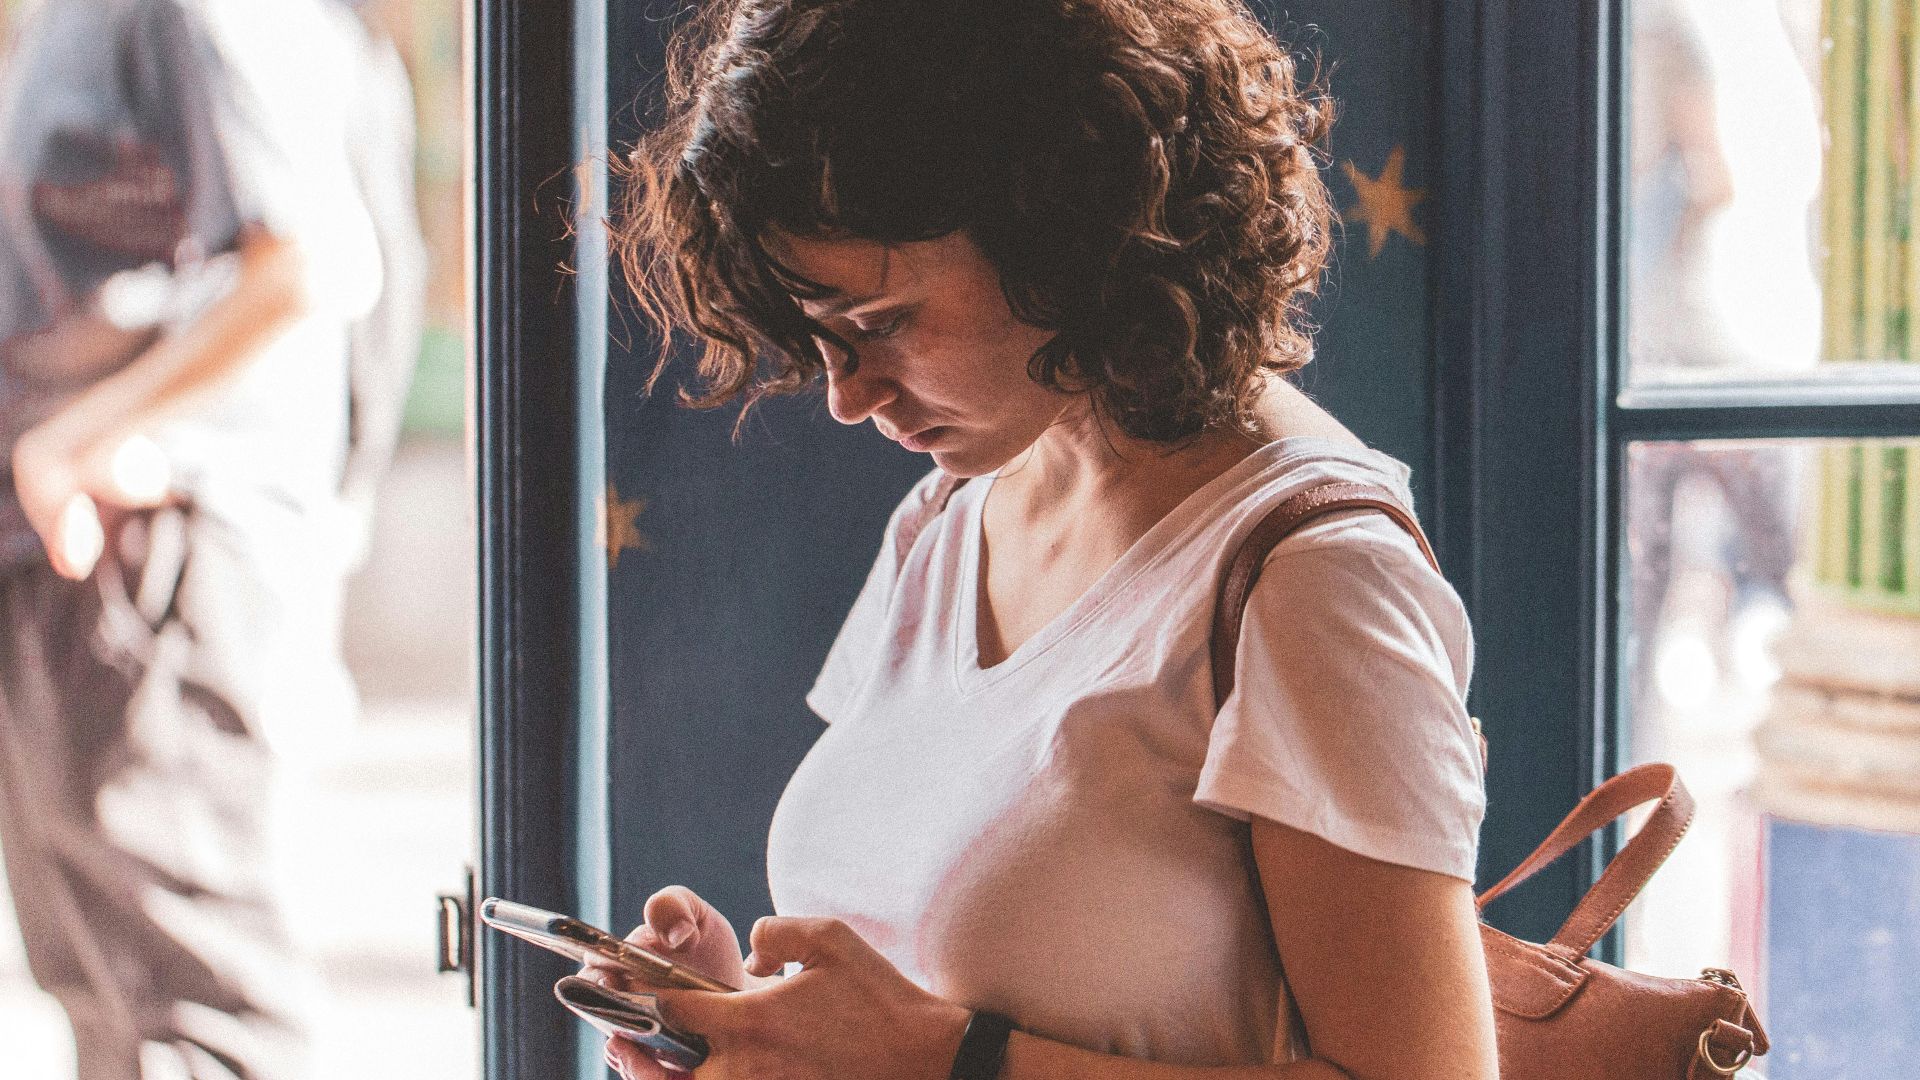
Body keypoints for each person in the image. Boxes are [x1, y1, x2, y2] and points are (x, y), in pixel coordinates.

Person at [597, 2, 1497, 1078]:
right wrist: (744, 1021)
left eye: (880, 322)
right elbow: (931, 970)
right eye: (817, 334)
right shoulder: (949, 516)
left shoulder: (1312, 578)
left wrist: (947, 1062)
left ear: (1070, 230)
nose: (846, 397)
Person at [0, 0, 421, 1076]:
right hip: (73, 559)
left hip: (148, 557)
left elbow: (313, 264)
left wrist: (82, 446)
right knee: (101, 988)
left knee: (188, 1008)